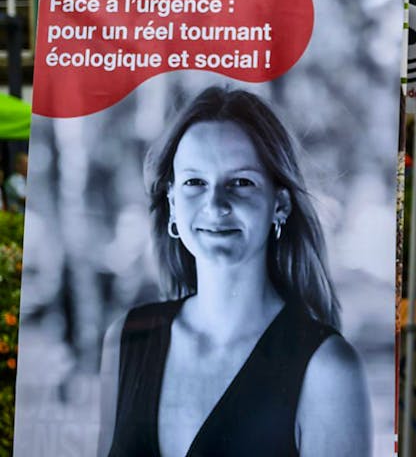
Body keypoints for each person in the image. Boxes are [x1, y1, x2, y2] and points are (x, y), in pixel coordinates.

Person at [97, 87, 372, 457]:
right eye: (195, 182)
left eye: (241, 182)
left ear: (280, 204)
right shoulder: (126, 341)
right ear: (173, 203)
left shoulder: (328, 370)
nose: (216, 204)